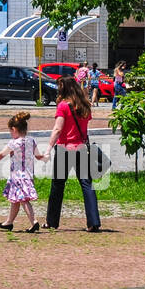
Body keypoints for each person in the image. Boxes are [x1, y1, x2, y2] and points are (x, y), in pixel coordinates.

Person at [44, 76, 102, 233]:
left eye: (59, 86)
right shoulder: (85, 106)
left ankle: (51, 221)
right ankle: (93, 222)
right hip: (82, 148)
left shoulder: (63, 106)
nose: (58, 89)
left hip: (64, 149)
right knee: (87, 185)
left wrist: (49, 148)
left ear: (64, 87)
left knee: (57, 186)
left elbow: (58, 129)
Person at [0, 111, 49, 232]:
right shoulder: (31, 141)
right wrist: (45, 156)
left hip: (17, 176)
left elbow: (1, 155)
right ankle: (9, 222)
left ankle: (33, 221)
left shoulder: (13, 143)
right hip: (28, 175)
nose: (10, 134)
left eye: (10, 131)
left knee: (23, 200)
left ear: (14, 129)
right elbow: (38, 156)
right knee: (16, 200)